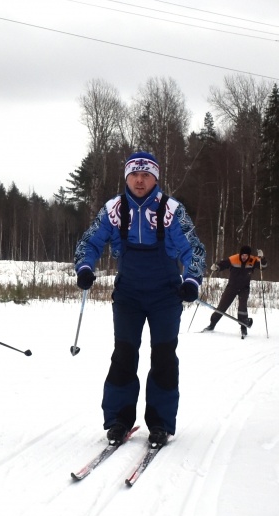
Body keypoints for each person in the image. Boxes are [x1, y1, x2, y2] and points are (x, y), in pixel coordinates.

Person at [74, 151, 206, 448]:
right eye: (135, 174)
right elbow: (90, 242)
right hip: (129, 294)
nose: (140, 179)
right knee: (124, 354)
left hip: (166, 294)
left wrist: (191, 280)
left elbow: (193, 249)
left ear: (155, 178)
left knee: (163, 356)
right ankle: (119, 419)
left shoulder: (171, 209)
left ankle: (160, 422)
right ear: (127, 177)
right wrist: (84, 267)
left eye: (146, 175)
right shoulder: (114, 209)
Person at [203, 245, 267, 336]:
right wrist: (216, 266)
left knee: (242, 308)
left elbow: (263, 266)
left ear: (249, 255)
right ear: (240, 254)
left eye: (246, 255)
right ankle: (212, 324)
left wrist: (262, 257)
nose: (244, 257)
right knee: (222, 305)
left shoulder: (253, 260)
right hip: (232, 287)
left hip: (244, 288)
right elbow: (223, 264)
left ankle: (243, 327)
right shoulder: (234, 259)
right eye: (243, 255)